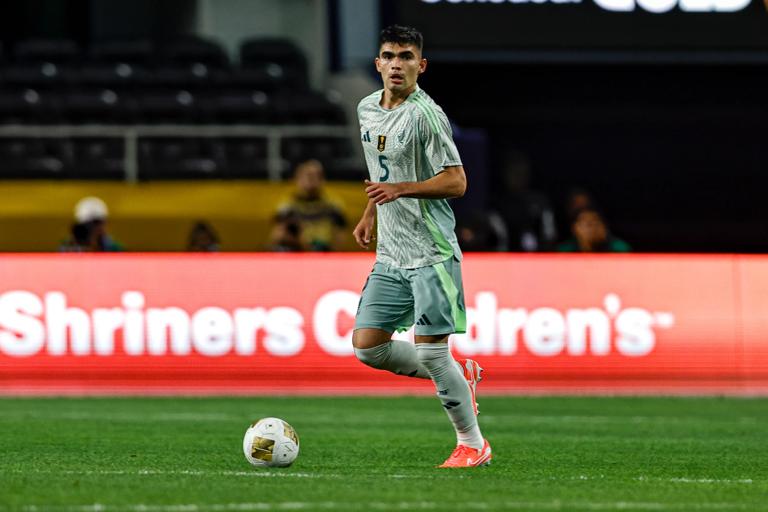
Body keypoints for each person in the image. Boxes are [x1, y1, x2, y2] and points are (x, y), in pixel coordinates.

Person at [351, 25, 491, 468]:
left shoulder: (426, 115)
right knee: (368, 347)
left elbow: (457, 181)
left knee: (432, 351)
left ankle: (473, 444)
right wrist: (371, 211)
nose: (397, 63)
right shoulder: (366, 109)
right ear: (377, 63)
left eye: (406, 56)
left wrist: (402, 190)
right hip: (391, 253)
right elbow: (381, 166)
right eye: (389, 55)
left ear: (420, 66)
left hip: (431, 252)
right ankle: (460, 373)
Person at [272, 159, 347, 251]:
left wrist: (333, 256)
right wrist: (300, 242)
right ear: (297, 179)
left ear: (322, 180)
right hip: (297, 251)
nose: (310, 180)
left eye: (314, 176)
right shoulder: (288, 205)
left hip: (323, 251)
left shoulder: (332, 205)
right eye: (306, 176)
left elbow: (340, 235)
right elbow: (277, 235)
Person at [557, 207, 631, 252]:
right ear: (574, 228)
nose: (593, 229)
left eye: (597, 222)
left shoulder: (619, 249)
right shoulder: (564, 252)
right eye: (588, 225)